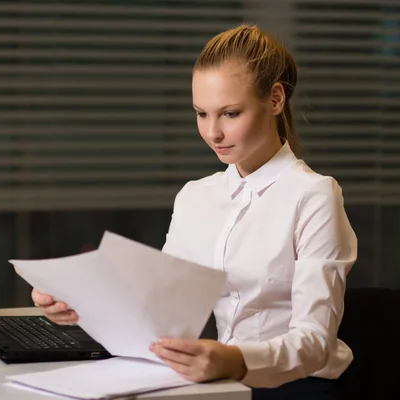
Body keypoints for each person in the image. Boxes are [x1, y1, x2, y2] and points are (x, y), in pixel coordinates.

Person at [31, 24, 357, 400]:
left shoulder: (314, 195)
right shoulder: (195, 196)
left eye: (230, 113)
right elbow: (159, 312)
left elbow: (315, 343)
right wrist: (81, 302)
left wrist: (233, 361)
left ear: (275, 100)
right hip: (218, 381)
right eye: (201, 114)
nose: (213, 132)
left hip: (296, 386)